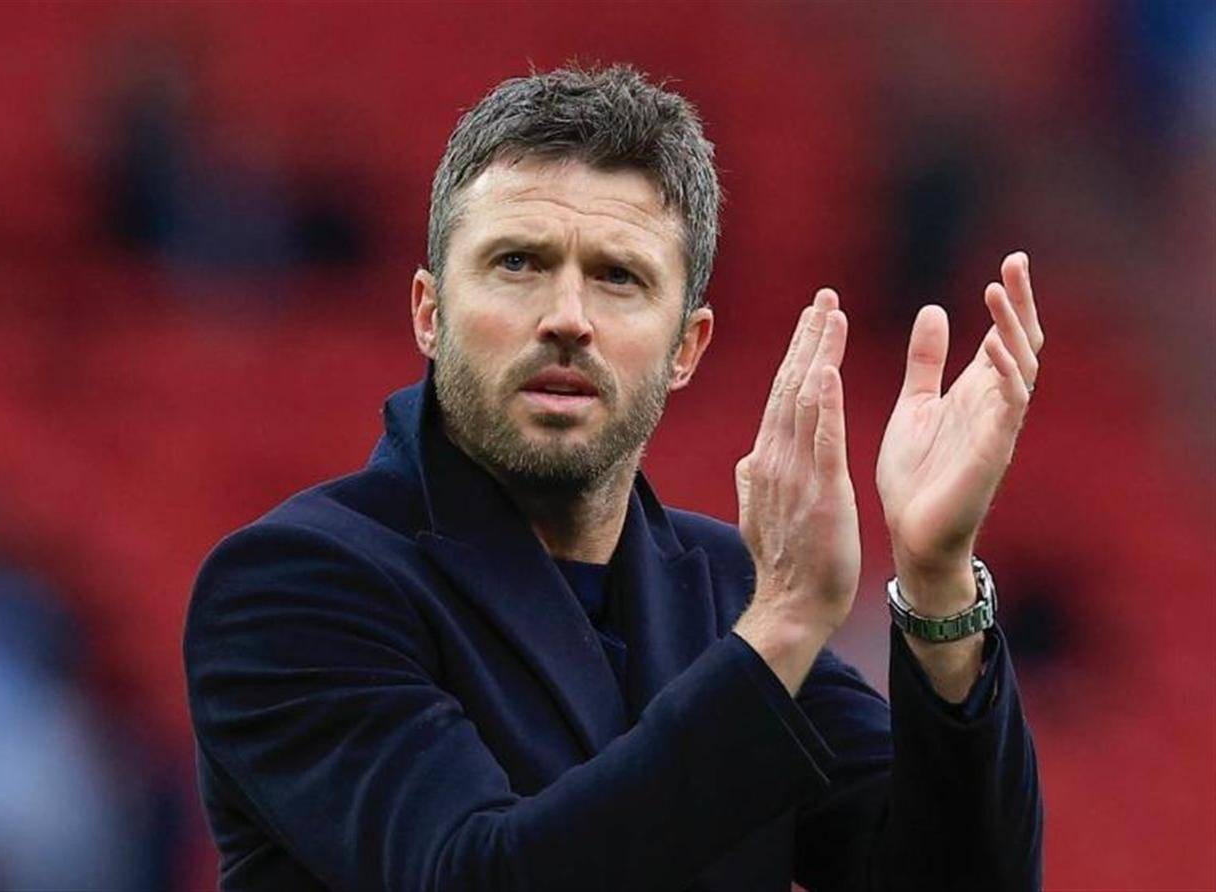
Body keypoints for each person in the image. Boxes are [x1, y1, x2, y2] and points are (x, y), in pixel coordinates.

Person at [184, 64, 1044, 891]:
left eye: (618, 277)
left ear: (686, 349)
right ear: (429, 313)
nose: (567, 318)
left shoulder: (727, 589)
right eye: (518, 263)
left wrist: (937, 584)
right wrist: (782, 628)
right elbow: (474, 874)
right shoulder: (294, 585)